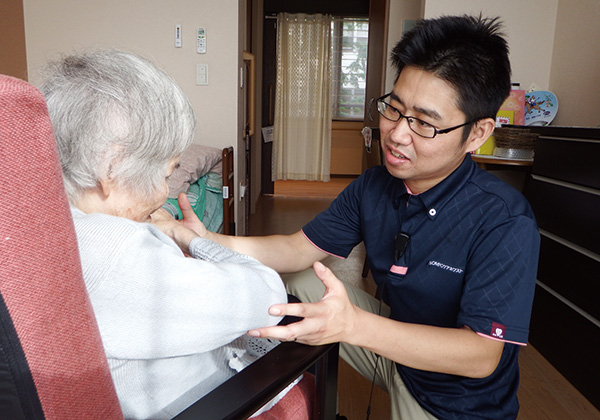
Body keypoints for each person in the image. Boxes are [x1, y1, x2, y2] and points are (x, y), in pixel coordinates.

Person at [185, 15, 540, 420]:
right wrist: (206, 240)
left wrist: (352, 326)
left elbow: (480, 356)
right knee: (301, 278)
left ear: (476, 134)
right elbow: (295, 249)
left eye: (424, 123)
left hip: (453, 397)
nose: (396, 134)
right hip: (393, 347)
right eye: (394, 108)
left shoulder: (504, 219)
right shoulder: (374, 185)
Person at [40, 49, 288, 420]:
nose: (163, 193)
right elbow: (269, 293)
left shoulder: (43, 222)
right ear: (111, 167)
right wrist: (191, 239)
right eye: (166, 173)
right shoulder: (118, 250)